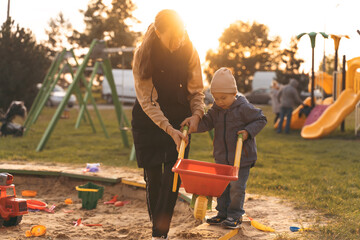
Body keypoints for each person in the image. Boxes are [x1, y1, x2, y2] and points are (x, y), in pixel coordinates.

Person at [131, 9, 205, 240]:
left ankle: (159, 234)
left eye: (181, 34)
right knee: (153, 179)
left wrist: (196, 115)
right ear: (159, 33)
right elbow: (148, 100)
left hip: (179, 121)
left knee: (173, 178)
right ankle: (158, 232)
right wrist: (168, 129)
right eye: (173, 37)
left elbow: (196, 91)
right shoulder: (144, 53)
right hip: (149, 120)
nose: (178, 41)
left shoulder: (189, 49)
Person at [182, 67, 267, 229]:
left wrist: (248, 132)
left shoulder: (243, 108)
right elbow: (207, 122)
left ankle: (235, 215)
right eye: (216, 98)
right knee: (221, 187)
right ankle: (222, 213)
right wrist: (194, 126)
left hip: (241, 157)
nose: (219, 101)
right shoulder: (216, 110)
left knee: (236, 188)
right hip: (222, 157)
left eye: (223, 98)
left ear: (234, 94)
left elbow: (261, 119)